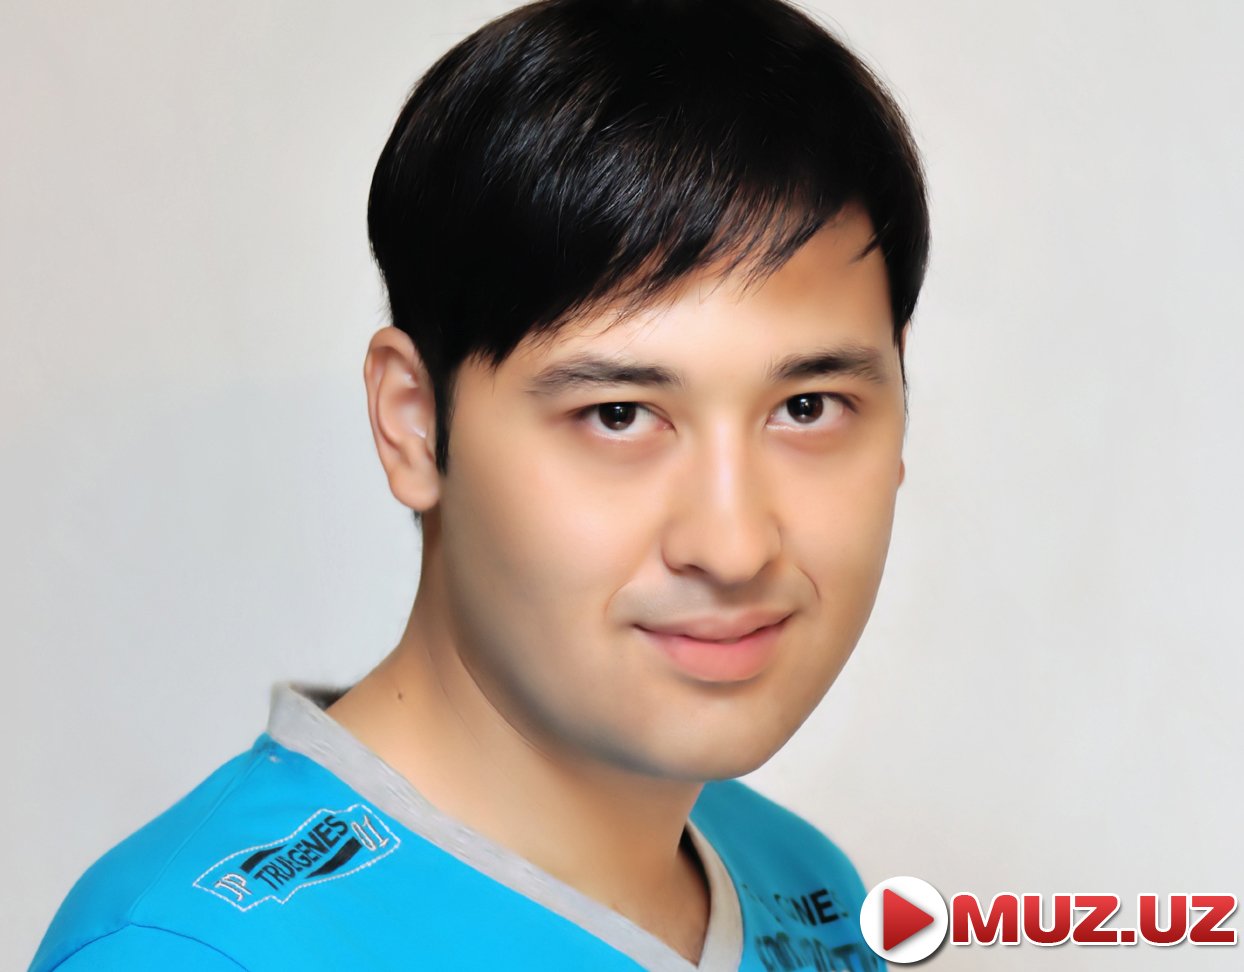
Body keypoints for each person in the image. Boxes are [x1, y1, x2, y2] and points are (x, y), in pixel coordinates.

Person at [32, 0, 928, 968]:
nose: (733, 545)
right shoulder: (192, 951)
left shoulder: (803, 885)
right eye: (618, 415)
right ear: (415, 423)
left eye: (807, 407)